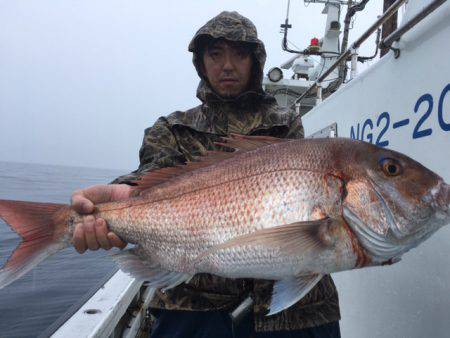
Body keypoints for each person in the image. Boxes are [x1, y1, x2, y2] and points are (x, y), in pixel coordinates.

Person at [71, 11, 341, 338]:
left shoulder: (286, 122)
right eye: (215, 54)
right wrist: (117, 198)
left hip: (292, 311)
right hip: (194, 303)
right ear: (201, 62)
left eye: (239, 54)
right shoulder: (170, 128)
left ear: (255, 60)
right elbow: (150, 182)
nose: (227, 65)